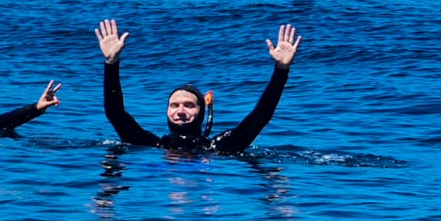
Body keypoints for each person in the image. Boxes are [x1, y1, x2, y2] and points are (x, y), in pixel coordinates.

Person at [94, 19, 301, 152]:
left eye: (188, 105)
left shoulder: (219, 147)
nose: (180, 111)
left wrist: (280, 71)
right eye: (174, 105)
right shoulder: (151, 145)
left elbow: (259, 117)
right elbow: (116, 114)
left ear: (202, 111)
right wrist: (111, 64)